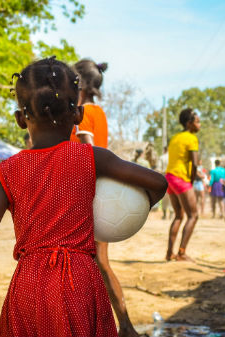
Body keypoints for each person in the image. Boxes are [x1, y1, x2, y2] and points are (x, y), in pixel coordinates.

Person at [0, 57, 168, 336]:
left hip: (29, 284)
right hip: (80, 281)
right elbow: (158, 183)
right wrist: (130, 210)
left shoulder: (8, 170)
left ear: (20, 119)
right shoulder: (91, 158)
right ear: (77, 115)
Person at [68, 58, 140, 337]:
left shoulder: (82, 111)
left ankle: (124, 326)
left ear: (78, 83)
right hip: (98, 192)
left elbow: (89, 149)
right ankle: (124, 325)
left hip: (86, 195)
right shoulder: (99, 111)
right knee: (99, 262)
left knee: (93, 262)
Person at [165, 108, 201, 262]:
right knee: (193, 215)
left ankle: (169, 253)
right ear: (189, 123)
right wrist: (191, 181)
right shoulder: (191, 138)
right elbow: (194, 163)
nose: (199, 125)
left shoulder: (175, 137)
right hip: (181, 178)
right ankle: (181, 253)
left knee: (179, 216)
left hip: (169, 177)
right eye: (197, 122)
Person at [158, 146, 172, 220]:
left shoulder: (162, 157)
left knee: (164, 196)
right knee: (172, 196)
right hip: (172, 177)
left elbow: (159, 169)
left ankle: (164, 215)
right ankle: (171, 214)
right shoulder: (172, 157)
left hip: (164, 177)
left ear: (164, 150)